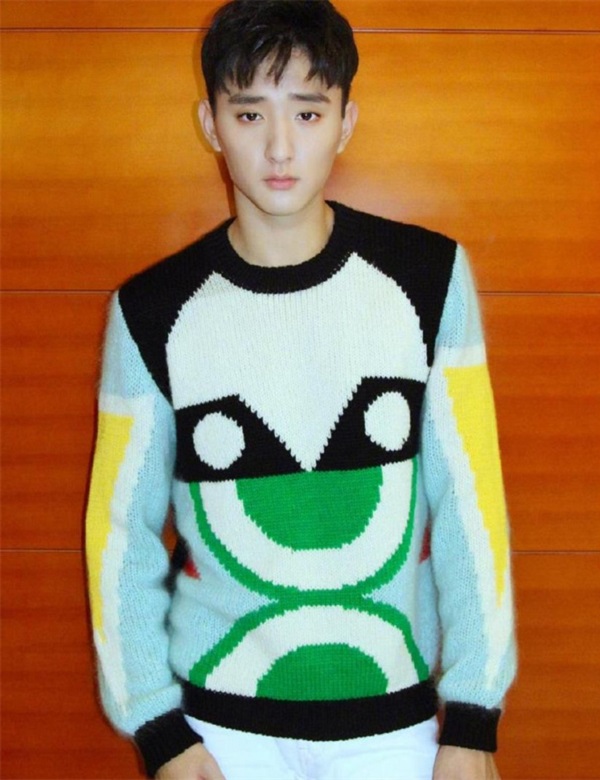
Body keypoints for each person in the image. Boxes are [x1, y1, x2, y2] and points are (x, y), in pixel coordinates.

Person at [85, 1, 517, 778]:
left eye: (308, 113)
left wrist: (475, 718)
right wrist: (158, 729)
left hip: (394, 726)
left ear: (346, 122)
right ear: (211, 124)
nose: (279, 147)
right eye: (249, 113)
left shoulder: (429, 279)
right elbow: (120, 530)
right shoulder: (150, 310)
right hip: (215, 733)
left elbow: (470, 503)